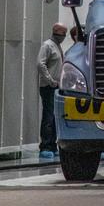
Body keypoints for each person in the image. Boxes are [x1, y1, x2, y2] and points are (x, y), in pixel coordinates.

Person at [37, 22, 68, 159]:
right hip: (49, 87)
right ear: (56, 31)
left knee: (55, 117)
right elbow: (40, 64)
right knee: (49, 116)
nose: (64, 36)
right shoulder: (48, 45)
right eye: (62, 33)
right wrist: (50, 80)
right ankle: (45, 146)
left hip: (57, 87)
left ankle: (53, 144)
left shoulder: (57, 46)